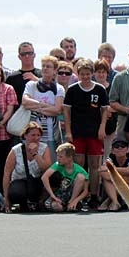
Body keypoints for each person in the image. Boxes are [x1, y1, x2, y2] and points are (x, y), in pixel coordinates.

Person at [63, 58, 109, 206]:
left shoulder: (99, 89)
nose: (85, 77)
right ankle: (80, 195)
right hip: (77, 132)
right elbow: (66, 111)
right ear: (78, 74)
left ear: (92, 73)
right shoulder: (73, 90)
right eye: (82, 74)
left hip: (95, 133)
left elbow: (105, 110)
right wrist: (69, 132)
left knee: (95, 164)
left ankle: (94, 195)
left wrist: (102, 127)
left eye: (88, 74)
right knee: (79, 164)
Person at [2, 122, 51, 212]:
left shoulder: (44, 148)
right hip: (21, 180)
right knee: (16, 192)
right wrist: (6, 198)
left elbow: (47, 168)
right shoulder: (15, 150)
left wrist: (35, 154)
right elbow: (7, 174)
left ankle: (42, 201)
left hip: (37, 181)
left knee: (55, 177)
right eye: (33, 135)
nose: (36, 138)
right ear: (25, 135)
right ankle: (23, 204)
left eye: (38, 135)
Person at [41, 142, 89, 212]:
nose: (58, 159)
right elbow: (44, 177)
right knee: (57, 207)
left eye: (61, 157)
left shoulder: (80, 170)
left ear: (70, 157)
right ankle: (62, 206)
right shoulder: (57, 165)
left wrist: (74, 201)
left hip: (71, 194)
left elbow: (85, 191)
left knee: (80, 177)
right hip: (59, 195)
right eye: (57, 156)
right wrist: (52, 195)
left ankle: (71, 203)